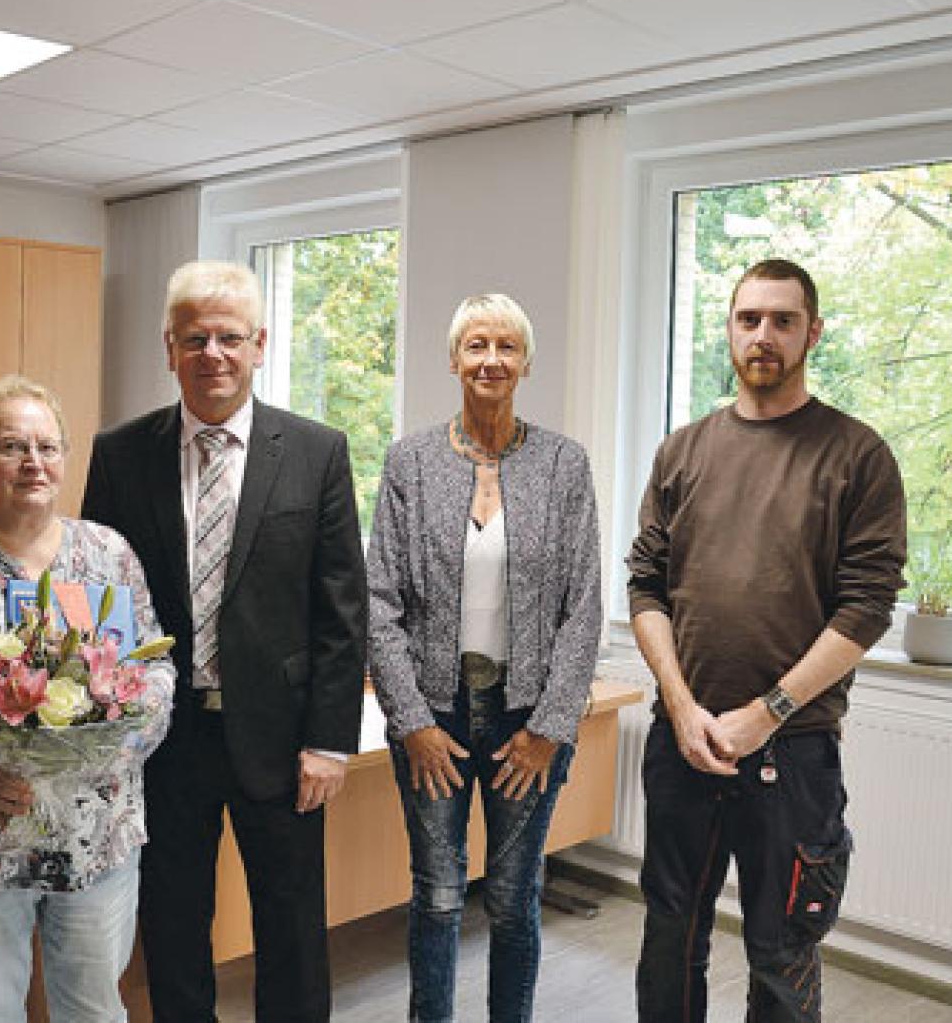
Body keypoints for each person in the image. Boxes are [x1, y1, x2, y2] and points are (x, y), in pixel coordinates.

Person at [81, 260, 368, 1021]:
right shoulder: (120, 454)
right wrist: (109, 727)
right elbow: (101, 599)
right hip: (163, 738)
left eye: (229, 338)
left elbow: (342, 610)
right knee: (173, 923)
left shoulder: (316, 451)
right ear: (168, 348)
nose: (212, 353)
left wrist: (329, 741)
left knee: (292, 926)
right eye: (195, 338)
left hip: (282, 738)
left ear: (259, 345)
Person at [627, 258, 907, 1021]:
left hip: (793, 752)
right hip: (684, 743)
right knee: (669, 939)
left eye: (783, 320)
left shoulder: (857, 455)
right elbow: (646, 586)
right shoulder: (682, 452)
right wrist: (681, 706)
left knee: (782, 953)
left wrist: (766, 712)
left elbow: (866, 608)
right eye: (749, 318)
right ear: (729, 329)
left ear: (812, 332)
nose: (764, 335)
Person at [0, 375, 175, 1022]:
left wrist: (115, 747)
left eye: (47, 446)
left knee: (93, 1008)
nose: (32, 462)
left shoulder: (108, 554)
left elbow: (154, 670)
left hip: (96, 829)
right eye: (11, 446)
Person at [367, 293, 602, 1022]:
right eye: (476, 345)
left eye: (506, 346)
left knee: (512, 897)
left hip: (524, 719)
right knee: (438, 895)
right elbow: (379, 601)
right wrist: (411, 722)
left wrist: (549, 728)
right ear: (453, 360)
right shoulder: (410, 461)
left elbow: (583, 606)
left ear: (526, 362)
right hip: (434, 716)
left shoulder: (563, 464)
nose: (491, 360)